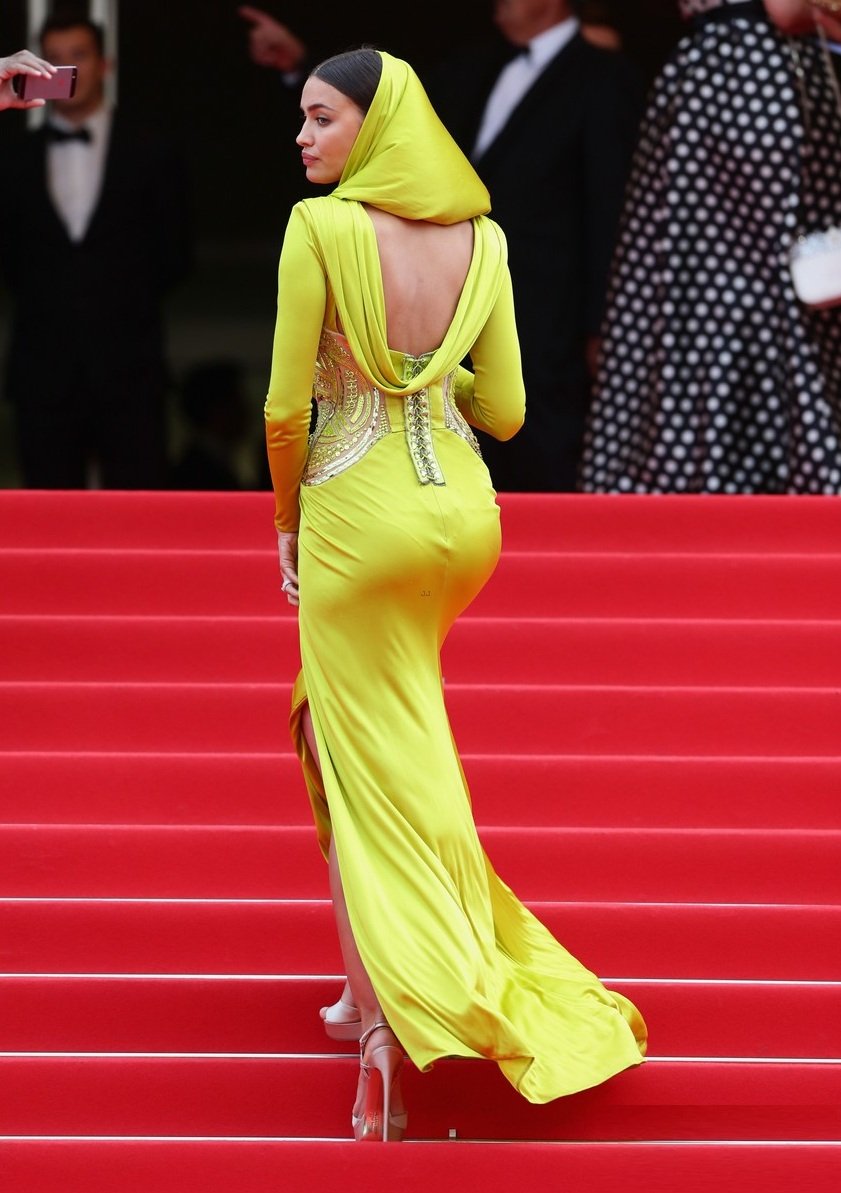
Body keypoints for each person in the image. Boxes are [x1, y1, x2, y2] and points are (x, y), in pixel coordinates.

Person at [264, 46, 647, 1143]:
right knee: (337, 729)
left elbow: (286, 412)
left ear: (375, 127)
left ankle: (393, 1018)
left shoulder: (321, 231)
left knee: (377, 754)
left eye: (321, 117)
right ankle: (358, 985)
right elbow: (514, 410)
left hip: (355, 515)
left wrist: (284, 524)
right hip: (461, 519)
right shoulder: (483, 241)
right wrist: (428, 367)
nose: (303, 138)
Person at [580, 0, 841, 493]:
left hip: (721, 79)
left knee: (689, 285)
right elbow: (788, 10)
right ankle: (788, 470)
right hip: (759, 78)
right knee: (781, 286)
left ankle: (684, 470)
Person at [425, 0, 643, 490]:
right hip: (458, 305)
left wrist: (601, 324)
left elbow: (610, 211)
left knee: (544, 458)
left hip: (551, 318)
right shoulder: (475, 66)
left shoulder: (604, 78)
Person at [0, 12, 190, 489]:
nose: (68, 69)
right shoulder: (13, 157)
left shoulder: (153, 150)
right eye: (55, 60)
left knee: (141, 513)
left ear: (105, 63)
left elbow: (175, 253)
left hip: (131, 368)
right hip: (41, 373)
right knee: (46, 519)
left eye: (78, 55)